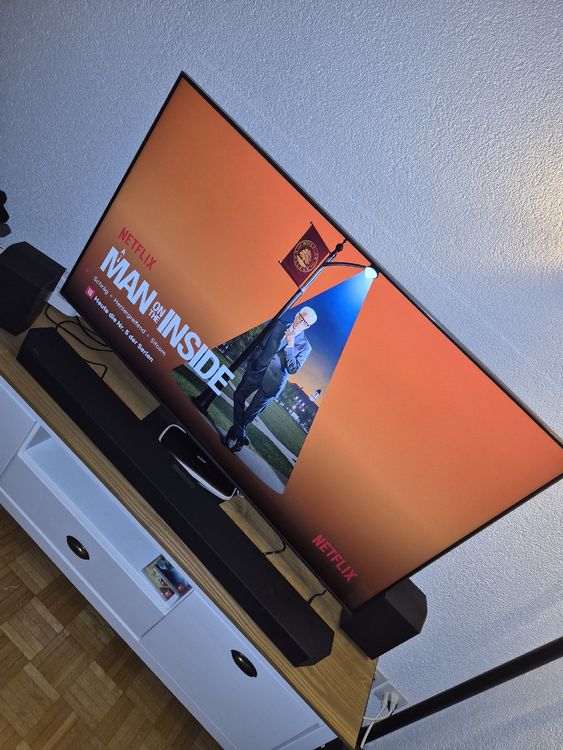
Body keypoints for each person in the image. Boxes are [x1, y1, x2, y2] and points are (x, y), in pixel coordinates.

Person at [223, 306, 317, 452]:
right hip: (256, 371)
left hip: (273, 383)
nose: (300, 322)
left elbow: (293, 369)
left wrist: (290, 345)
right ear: (297, 314)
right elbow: (262, 345)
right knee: (238, 396)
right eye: (300, 317)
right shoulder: (279, 324)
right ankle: (242, 436)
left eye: (305, 322)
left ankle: (234, 435)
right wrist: (252, 363)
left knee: (250, 413)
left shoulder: (306, 347)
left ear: (308, 326)